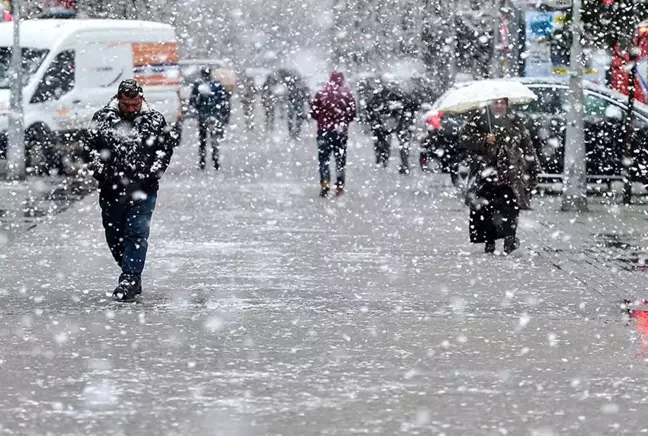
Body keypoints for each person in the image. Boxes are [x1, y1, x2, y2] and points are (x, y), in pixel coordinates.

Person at [85, 79, 176, 301]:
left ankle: (130, 279)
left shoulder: (155, 120)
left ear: (141, 99)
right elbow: (89, 148)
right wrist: (101, 172)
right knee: (115, 236)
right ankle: (130, 270)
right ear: (119, 100)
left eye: (135, 104)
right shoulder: (102, 119)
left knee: (136, 233)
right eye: (127, 104)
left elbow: (164, 150)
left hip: (143, 190)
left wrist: (152, 175)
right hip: (112, 189)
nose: (132, 109)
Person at [459, 98, 540, 254]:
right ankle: (490, 241)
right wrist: (484, 140)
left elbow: (527, 145)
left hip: (510, 173)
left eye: (502, 102)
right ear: (490, 104)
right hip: (485, 172)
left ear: (507, 104)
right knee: (486, 208)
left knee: (510, 207)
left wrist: (532, 168)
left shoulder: (515, 121)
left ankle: (510, 239)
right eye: (496, 102)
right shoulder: (480, 119)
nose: (499, 105)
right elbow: (464, 139)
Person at [310, 72, 357, 197]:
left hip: (324, 131)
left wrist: (323, 121)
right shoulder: (347, 94)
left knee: (324, 159)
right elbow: (352, 114)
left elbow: (314, 112)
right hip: (340, 132)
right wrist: (342, 122)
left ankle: (325, 182)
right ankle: (340, 186)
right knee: (340, 160)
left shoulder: (321, 93)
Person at [365, 81, 417, 174]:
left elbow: (371, 107)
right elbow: (411, 105)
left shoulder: (386, 96)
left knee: (386, 141)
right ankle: (401, 163)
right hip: (397, 122)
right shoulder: (401, 96)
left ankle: (386, 159)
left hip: (391, 123)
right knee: (400, 143)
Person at [189, 66, 231, 170]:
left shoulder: (198, 84)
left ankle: (202, 161)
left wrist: (198, 109)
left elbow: (193, 100)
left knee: (203, 139)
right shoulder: (217, 84)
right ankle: (216, 161)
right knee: (214, 139)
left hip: (203, 116)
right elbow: (224, 100)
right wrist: (223, 114)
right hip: (215, 116)